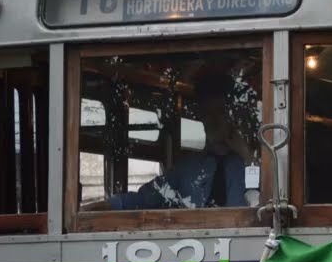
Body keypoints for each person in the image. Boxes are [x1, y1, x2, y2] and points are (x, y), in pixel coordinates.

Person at [101, 70, 248, 211]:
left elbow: (268, 195)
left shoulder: (251, 166)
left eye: (220, 112)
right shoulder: (187, 168)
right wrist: (108, 205)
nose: (214, 120)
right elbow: (147, 198)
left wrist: (247, 155)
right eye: (207, 114)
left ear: (232, 117)